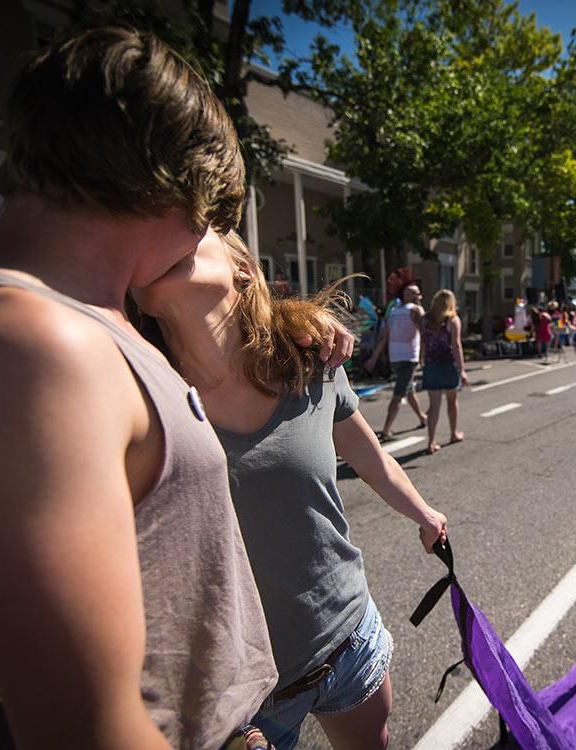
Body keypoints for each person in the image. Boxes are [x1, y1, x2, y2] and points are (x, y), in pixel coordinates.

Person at [0, 27, 357, 748]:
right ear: (179, 192)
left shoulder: (77, 317)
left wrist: (297, 326)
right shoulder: (28, 350)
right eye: (213, 219)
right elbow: (84, 727)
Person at [132, 230, 448, 750]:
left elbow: (372, 459)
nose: (165, 231)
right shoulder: (142, 398)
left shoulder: (311, 361)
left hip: (350, 638)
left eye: (191, 227)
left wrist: (425, 514)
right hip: (247, 699)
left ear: (242, 269)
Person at [367, 285, 428, 440]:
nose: (411, 294)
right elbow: (384, 337)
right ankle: (420, 418)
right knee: (406, 391)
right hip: (398, 358)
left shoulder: (413, 310)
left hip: (408, 358)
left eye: (414, 292)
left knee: (400, 392)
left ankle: (388, 429)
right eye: (409, 291)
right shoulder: (396, 311)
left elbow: (424, 334)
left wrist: (422, 357)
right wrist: (373, 358)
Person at [421, 290, 469, 453]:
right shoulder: (453, 320)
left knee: (434, 405)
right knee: (452, 402)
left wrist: (422, 360)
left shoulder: (425, 319)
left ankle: (431, 441)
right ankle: (454, 433)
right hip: (448, 365)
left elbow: (423, 342)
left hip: (431, 364)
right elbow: (456, 345)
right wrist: (462, 369)